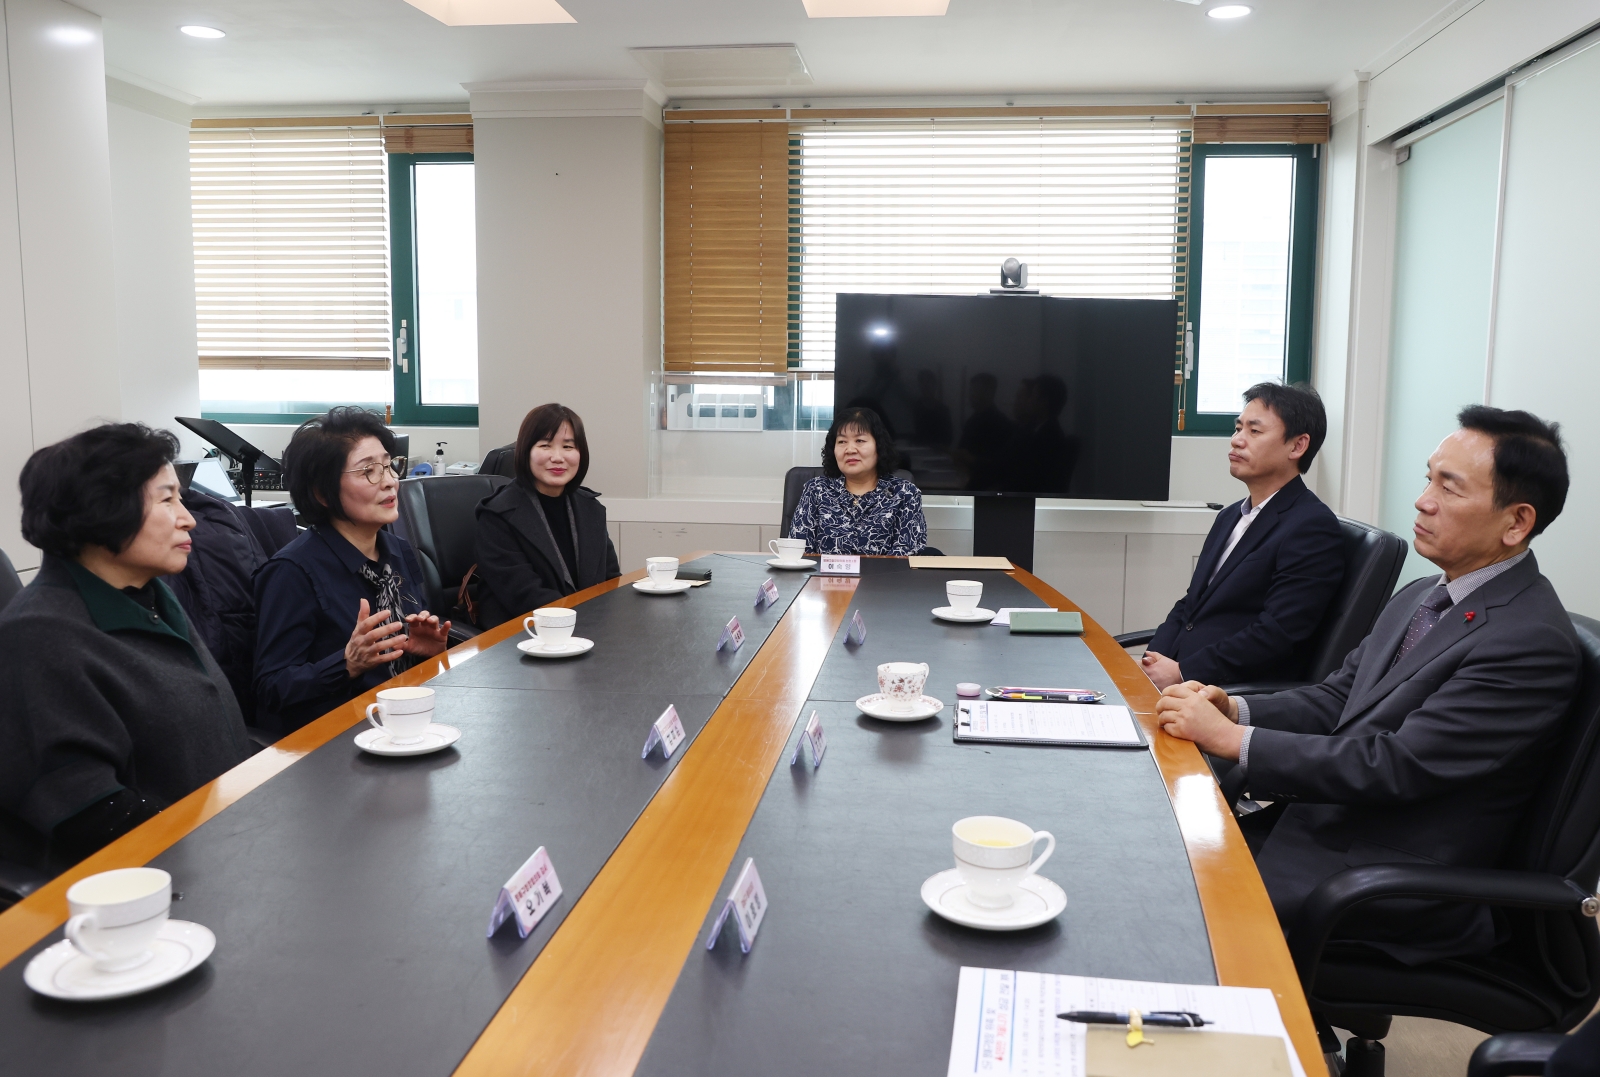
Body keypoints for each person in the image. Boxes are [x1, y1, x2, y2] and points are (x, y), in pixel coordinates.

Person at [1156, 405, 1579, 964]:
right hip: (1325, 831)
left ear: (1516, 522)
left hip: (1389, 877)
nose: (1423, 499)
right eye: (1428, 478)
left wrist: (1234, 742)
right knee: (1157, 859)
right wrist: (1235, 708)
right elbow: (1337, 698)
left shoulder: (1528, 641)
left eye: (1449, 489)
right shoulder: (1426, 593)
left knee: (1169, 909)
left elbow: (1397, 765)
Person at [0, 424, 252, 872]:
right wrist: (226, 843)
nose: (188, 517)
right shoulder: (39, 634)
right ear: (102, 510)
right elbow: (89, 809)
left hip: (223, 844)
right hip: (145, 885)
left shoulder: (150, 596)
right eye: (167, 499)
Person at [253, 408, 450, 735]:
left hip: (406, 720)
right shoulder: (291, 572)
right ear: (322, 493)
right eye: (368, 471)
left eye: (389, 465)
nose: (389, 481)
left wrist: (429, 653)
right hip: (339, 738)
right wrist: (347, 664)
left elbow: (412, 657)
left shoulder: (397, 551)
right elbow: (271, 688)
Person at [1142, 382, 1343, 689]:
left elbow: (1276, 634)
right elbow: (1190, 605)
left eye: (1254, 431)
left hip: (1225, 692)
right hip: (1177, 681)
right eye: (1237, 429)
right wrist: (1154, 657)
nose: (1236, 440)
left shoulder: (1311, 527)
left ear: (1297, 445)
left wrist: (1183, 671)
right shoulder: (1229, 516)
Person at [474, 403, 620, 629]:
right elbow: (524, 596)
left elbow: (610, 581)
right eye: (545, 445)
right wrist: (586, 621)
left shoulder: (591, 508)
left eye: (568, 447)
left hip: (586, 632)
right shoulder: (497, 515)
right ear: (526, 451)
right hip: (522, 641)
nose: (558, 457)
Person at [788, 406, 929, 556]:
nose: (850, 449)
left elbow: (906, 557)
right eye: (842, 441)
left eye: (860, 440)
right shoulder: (816, 490)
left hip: (883, 579)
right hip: (824, 579)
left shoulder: (904, 494)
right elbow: (797, 554)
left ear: (879, 447)